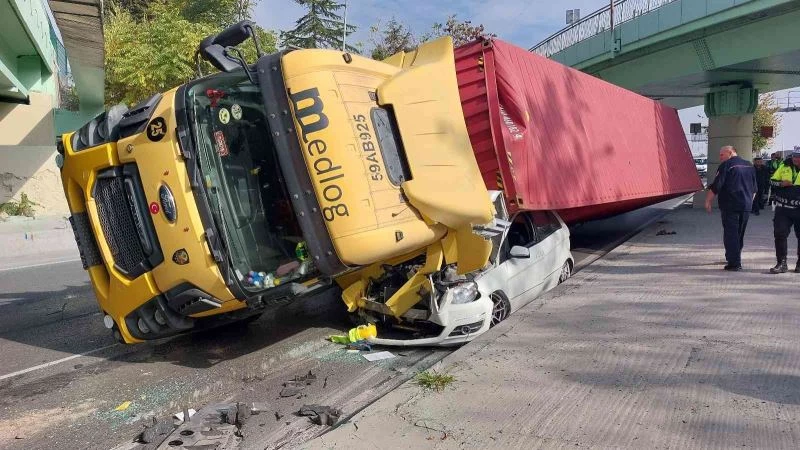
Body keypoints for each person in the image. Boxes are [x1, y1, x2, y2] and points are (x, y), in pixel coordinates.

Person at [705, 145, 757, 271]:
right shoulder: (749, 165)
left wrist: (708, 201)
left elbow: (717, 185)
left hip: (730, 205)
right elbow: (754, 189)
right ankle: (734, 257)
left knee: (731, 233)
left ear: (730, 152)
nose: (720, 157)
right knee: (739, 233)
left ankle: (734, 263)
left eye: (722, 155)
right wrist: (749, 202)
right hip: (746, 205)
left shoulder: (726, 165)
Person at [768, 150, 800, 274]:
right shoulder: (784, 166)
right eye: (794, 157)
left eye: (799, 157)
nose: (796, 159)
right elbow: (771, 181)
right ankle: (781, 263)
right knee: (780, 234)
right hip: (783, 208)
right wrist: (781, 183)